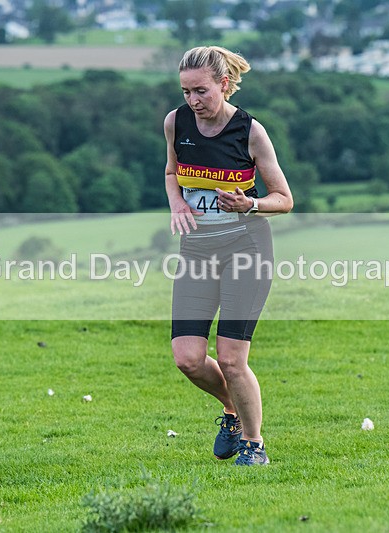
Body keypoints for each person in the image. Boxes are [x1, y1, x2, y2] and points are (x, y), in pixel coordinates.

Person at [163, 46, 293, 466]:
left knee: (234, 360)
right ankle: (232, 411)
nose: (192, 101)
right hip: (197, 251)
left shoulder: (250, 131)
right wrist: (177, 203)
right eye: (186, 92)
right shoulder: (176, 122)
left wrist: (249, 205)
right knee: (187, 358)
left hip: (246, 249)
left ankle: (255, 446)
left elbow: (285, 199)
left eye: (200, 91)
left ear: (224, 83)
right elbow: (171, 172)